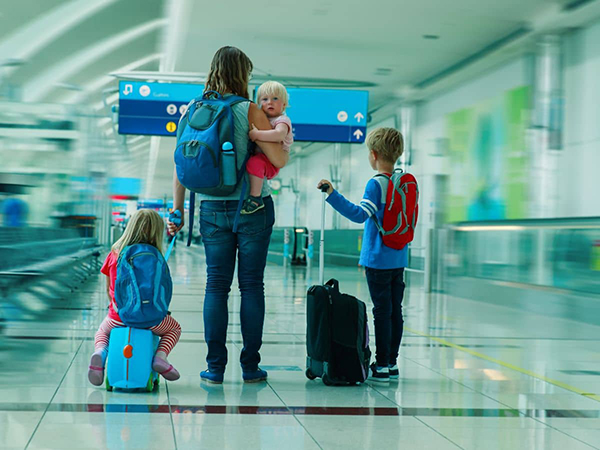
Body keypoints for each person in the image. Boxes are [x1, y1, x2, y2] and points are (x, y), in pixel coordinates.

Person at [168, 46, 288, 385]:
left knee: (216, 286)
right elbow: (277, 160)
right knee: (251, 286)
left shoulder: (193, 109)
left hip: (210, 208)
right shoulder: (249, 109)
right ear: (242, 75)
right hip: (253, 209)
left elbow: (180, 164)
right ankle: (250, 366)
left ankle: (215, 367)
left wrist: (177, 209)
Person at [317, 127, 407, 383]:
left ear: (374, 155)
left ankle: (382, 364)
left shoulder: (376, 183)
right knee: (394, 311)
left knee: (381, 310)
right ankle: (392, 362)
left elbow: (359, 215)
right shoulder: (403, 182)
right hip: (399, 257)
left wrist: (332, 195)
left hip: (378, 258)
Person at [88, 209, 182, 386]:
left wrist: (115, 308)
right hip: (151, 320)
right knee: (174, 329)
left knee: (102, 331)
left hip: (118, 318)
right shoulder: (156, 257)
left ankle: (100, 352)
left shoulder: (114, 254)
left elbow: (109, 289)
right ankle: (160, 357)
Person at [243, 81, 293, 214]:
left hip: (271, 162)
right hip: (263, 156)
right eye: (265, 99)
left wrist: (257, 134)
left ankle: (255, 197)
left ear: (284, 104)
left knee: (255, 163)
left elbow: (278, 135)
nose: (270, 102)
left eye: (275, 99)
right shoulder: (263, 118)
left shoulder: (282, 120)